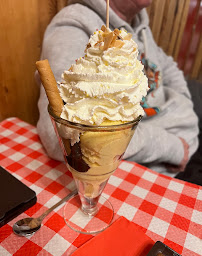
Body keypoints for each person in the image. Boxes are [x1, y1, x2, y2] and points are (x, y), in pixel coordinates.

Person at [37, 0, 199, 178]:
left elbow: (166, 65)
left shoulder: (138, 25)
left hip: (186, 139)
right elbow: (61, 138)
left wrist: (184, 98)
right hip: (152, 167)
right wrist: (170, 148)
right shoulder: (72, 26)